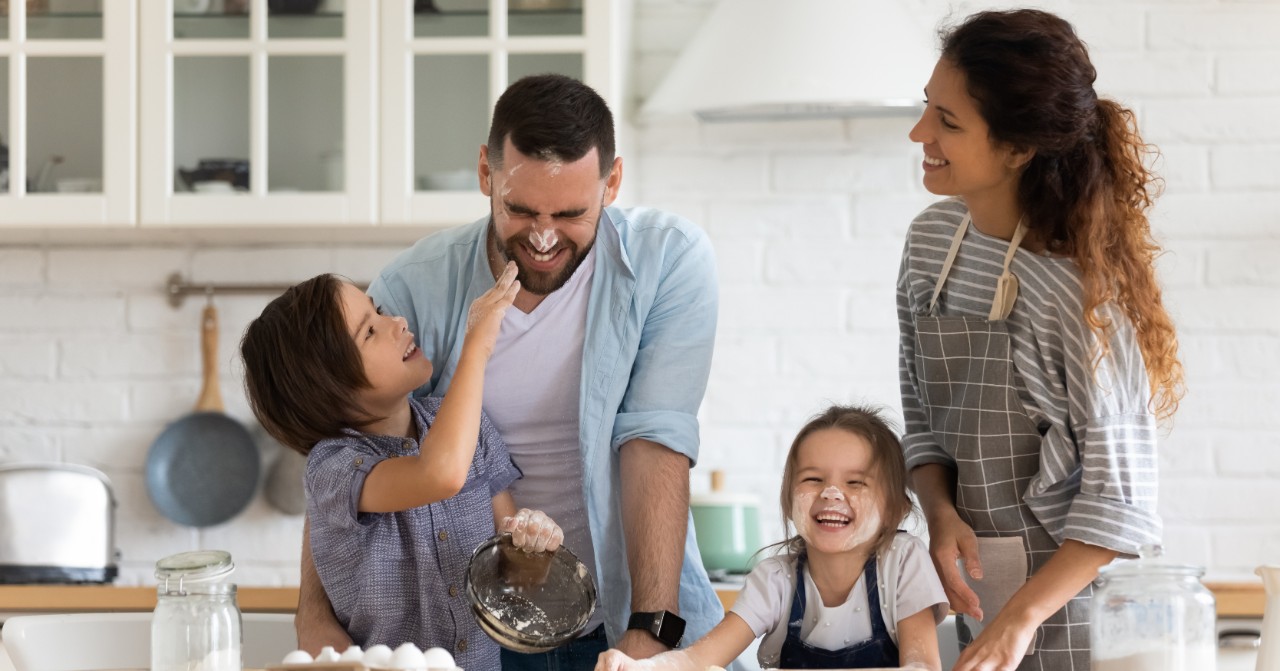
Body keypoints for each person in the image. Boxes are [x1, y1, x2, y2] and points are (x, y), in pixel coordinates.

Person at [293, 73, 724, 671]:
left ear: (613, 182)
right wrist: (314, 618)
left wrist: (649, 630)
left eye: (571, 213)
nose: (544, 237)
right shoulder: (412, 287)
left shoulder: (668, 261)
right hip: (469, 639)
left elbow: (654, 442)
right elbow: (346, 454)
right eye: (520, 210)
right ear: (485, 174)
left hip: (626, 618)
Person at [898, 9, 1186, 671]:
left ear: (1019, 148)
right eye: (926, 108)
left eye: (948, 121)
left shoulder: (1075, 297)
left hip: (1084, 620)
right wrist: (940, 513)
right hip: (982, 599)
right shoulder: (929, 245)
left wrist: (1021, 616)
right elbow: (922, 418)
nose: (920, 133)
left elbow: (1121, 502)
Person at [241, 265, 568, 671]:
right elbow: (439, 475)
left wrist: (533, 546)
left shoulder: (472, 430)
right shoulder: (334, 468)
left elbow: (511, 579)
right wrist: (478, 345)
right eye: (369, 332)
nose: (396, 322)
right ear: (328, 387)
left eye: (377, 311)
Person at [596, 405, 949, 671]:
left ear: (895, 510)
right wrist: (640, 666)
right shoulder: (776, 579)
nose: (830, 493)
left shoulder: (904, 562)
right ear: (787, 497)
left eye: (855, 483)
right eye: (813, 479)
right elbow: (701, 658)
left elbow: (922, 667)